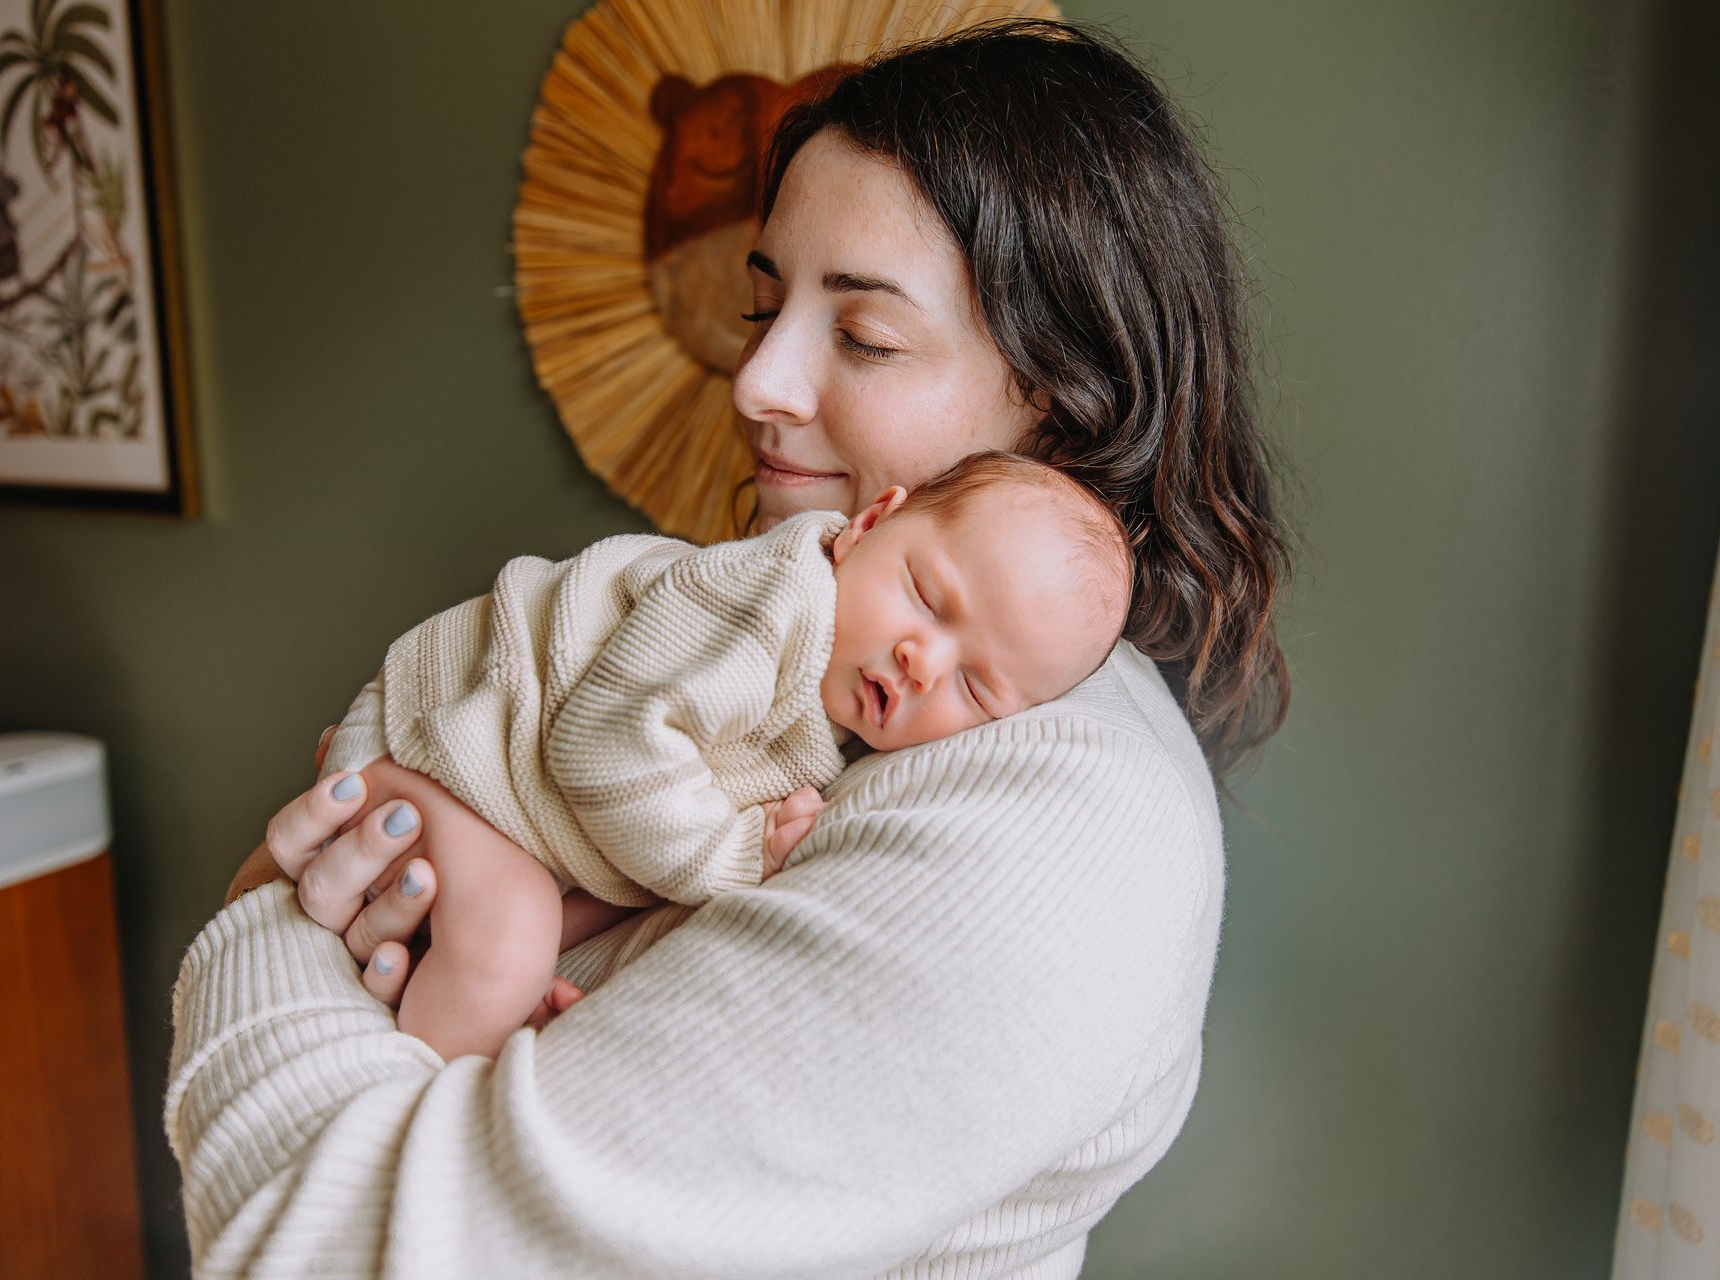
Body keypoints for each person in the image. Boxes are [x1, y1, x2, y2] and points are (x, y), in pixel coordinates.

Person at [167, 19, 1291, 1277]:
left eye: (863, 336)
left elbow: (309, 1253)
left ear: (1064, 396)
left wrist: (268, 928)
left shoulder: (1053, 822)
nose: (757, 378)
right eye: (765, 306)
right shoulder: (833, 688)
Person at [301, 453, 1130, 1060]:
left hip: (519, 798)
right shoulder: (770, 603)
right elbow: (602, 742)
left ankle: (472, 1024)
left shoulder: (850, 706)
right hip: (450, 736)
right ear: (869, 525)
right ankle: (403, 1107)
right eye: (925, 594)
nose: (924, 661)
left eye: (977, 687)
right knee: (512, 937)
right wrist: (740, 857)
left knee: (559, 936)